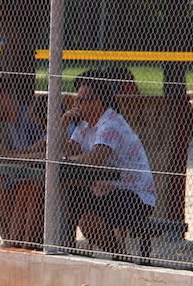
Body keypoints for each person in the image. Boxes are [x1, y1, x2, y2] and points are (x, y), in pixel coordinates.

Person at [62, 69, 156, 255]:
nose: (75, 105)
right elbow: (63, 152)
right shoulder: (84, 124)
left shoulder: (111, 124)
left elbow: (93, 160)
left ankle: (120, 256)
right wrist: (62, 125)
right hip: (103, 191)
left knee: (88, 221)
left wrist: (67, 159)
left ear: (96, 103)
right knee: (67, 199)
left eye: (80, 100)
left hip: (133, 194)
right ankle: (66, 252)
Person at [0, 76, 46, 248]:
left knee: (14, 191)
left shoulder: (30, 118)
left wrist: (6, 155)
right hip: (23, 177)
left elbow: (44, 154)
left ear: (6, 100)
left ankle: (20, 242)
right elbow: (15, 156)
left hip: (39, 180)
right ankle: (10, 239)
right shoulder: (8, 125)